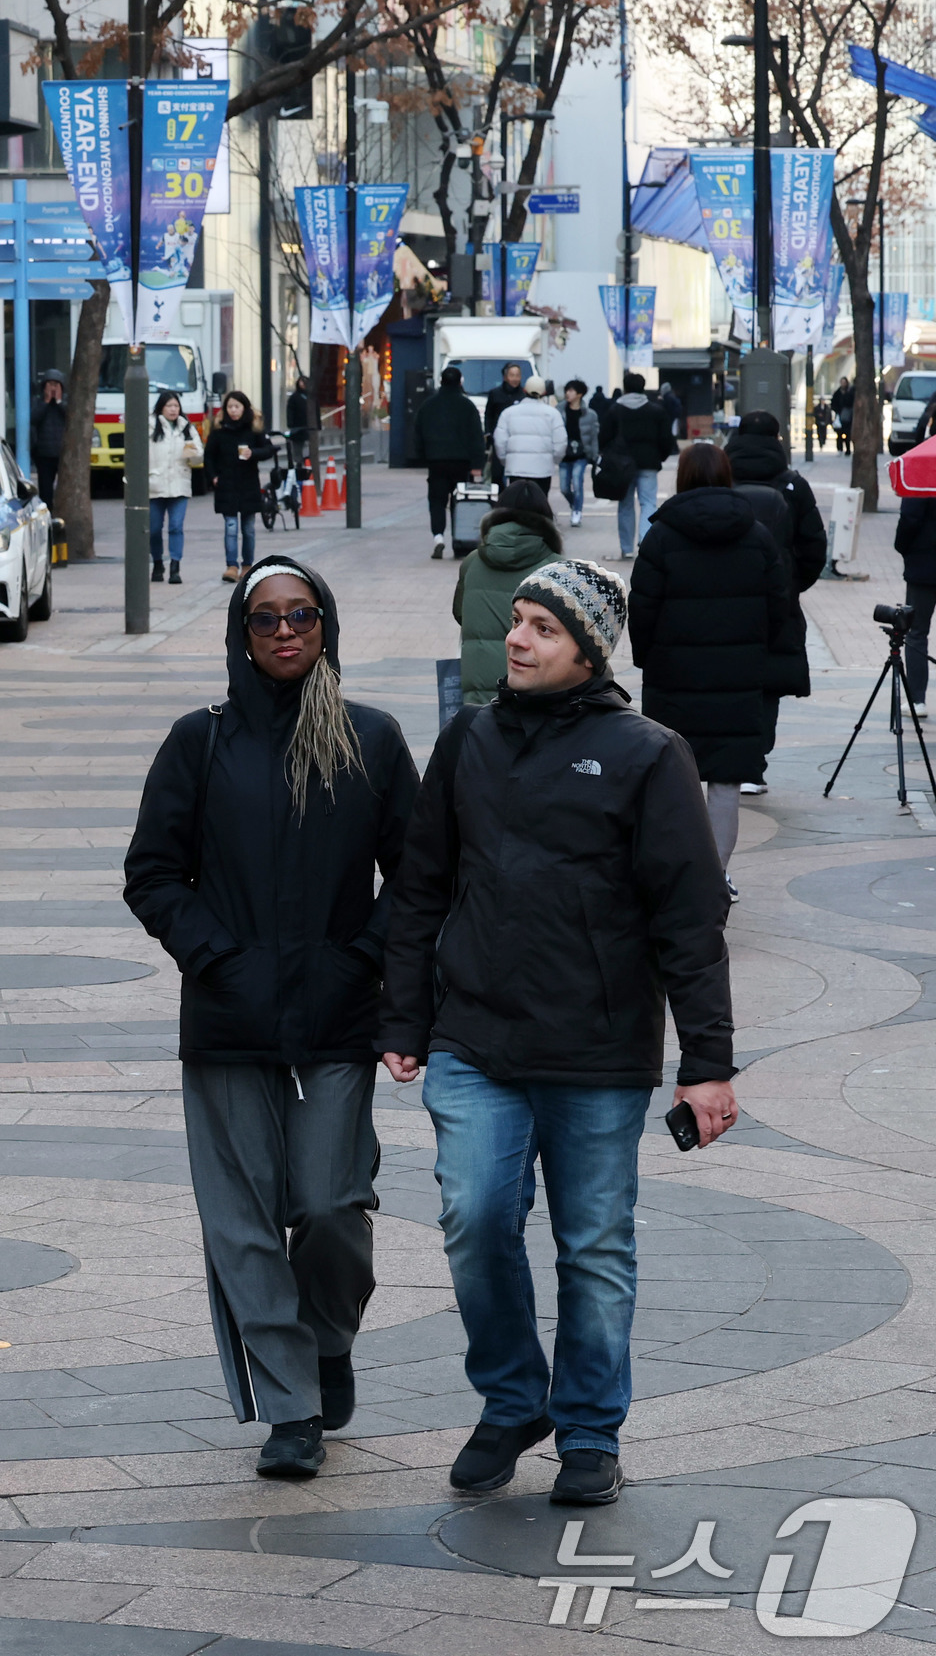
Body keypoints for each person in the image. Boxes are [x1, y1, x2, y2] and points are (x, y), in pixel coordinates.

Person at [377, 556, 737, 1508]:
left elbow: (689, 918)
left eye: (542, 626)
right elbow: (418, 889)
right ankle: (510, 1399)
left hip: (597, 1051)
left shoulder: (649, 753)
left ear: (588, 650)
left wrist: (708, 1063)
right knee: (474, 1218)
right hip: (475, 1040)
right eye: (519, 620)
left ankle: (587, 1428)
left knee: (593, 1244)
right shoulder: (468, 741)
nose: (518, 639)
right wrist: (405, 1015)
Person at [125, 560, 420, 1479]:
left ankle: (326, 1339)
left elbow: (416, 877)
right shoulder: (199, 743)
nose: (284, 631)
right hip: (227, 1014)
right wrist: (215, 956)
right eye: (265, 619)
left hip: (338, 1008)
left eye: (301, 615)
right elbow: (152, 873)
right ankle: (291, 1405)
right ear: (240, 633)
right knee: (243, 1218)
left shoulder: (371, 741)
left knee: (331, 1203)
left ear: (327, 624)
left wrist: (363, 959)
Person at [627, 441, 788, 899]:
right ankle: (714, 876)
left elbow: (642, 608)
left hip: (673, 677)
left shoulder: (661, 536)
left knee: (672, 778)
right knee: (724, 783)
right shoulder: (757, 535)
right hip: (737, 679)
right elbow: (780, 607)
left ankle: (674, 876)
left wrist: (648, 657)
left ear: (683, 479)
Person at [726, 411, 828, 791]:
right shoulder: (792, 484)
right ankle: (755, 765)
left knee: (725, 675)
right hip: (776, 600)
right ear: (778, 438)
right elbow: (814, 545)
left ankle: (725, 762)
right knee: (767, 681)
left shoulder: (721, 479)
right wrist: (791, 582)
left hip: (722, 597)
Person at [452, 480, 561, 703]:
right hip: (533, 686)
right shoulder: (557, 568)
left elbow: (460, 613)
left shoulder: (472, 561)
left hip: (478, 689)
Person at [600, 372, 677, 559]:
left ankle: (626, 549)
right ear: (643, 387)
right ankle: (645, 539)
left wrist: (607, 456)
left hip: (621, 465)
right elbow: (666, 438)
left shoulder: (614, 410)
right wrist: (661, 456)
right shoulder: (656, 410)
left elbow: (603, 437)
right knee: (648, 502)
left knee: (625, 505)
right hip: (649, 463)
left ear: (625, 387)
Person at [413, 365, 485, 560]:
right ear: (460, 382)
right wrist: (478, 464)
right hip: (462, 462)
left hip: (436, 462)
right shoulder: (467, 406)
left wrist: (421, 456)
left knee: (436, 500)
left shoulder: (428, 405)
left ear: (441, 381)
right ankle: (458, 541)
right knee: (459, 502)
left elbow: (418, 434)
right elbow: (476, 437)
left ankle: (438, 537)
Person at [205, 391, 272, 581]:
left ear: (245, 408)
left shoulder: (254, 428)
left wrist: (254, 453)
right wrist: (213, 477)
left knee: (249, 529)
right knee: (231, 526)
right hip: (226, 484)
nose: (233, 411)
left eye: (237, 407)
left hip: (248, 483)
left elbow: (268, 449)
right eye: (230, 407)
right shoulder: (219, 431)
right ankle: (231, 565)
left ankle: (247, 565)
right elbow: (209, 455)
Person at [149, 389, 200, 584]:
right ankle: (157, 562)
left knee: (176, 527)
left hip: (180, 485)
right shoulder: (150, 426)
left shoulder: (186, 427)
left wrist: (193, 453)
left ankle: (175, 566)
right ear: (161, 407)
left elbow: (198, 457)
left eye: (176, 406)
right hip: (155, 484)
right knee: (154, 528)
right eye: (169, 406)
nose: (173, 409)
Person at [896, 497, 936, 717]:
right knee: (917, 632)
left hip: (924, 566)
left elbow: (910, 519)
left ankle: (917, 699)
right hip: (923, 565)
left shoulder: (920, 479)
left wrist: (902, 547)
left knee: (917, 632)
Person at [493, 376, 566, 496]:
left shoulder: (508, 413)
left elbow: (500, 441)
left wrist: (505, 460)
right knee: (539, 506)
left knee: (517, 506)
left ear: (524, 390)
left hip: (516, 468)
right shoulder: (553, 414)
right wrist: (554, 460)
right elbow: (561, 442)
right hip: (542, 469)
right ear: (544, 392)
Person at [558, 380, 599, 527]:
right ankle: (574, 505)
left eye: (571, 391)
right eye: (567, 390)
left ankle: (577, 511)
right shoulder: (559, 411)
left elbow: (594, 436)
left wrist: (595, 456)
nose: (568, 393)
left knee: (577, 481)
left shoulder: (590, 414)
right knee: (563, 488)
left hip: (581, 455)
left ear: (580, 394)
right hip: (564, 454)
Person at [484, 362, 526, 486]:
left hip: (517, 440)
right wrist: (488, 433)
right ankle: (499, 500)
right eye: (512, 375)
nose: (515, 379)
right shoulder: (495, 393)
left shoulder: (523, 395)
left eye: (518, 375)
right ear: (505, 377)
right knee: (496, 474)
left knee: (516, 474)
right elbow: (489, 415)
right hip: (499, 440)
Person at [33, 370, 68, 512]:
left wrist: (59, 402)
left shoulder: (66, 402)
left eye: (56, 385)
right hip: (44, 453)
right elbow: (33, 418)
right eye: (50, 385)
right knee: (45, 489)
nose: (53, 388)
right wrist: (46, 402)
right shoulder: (38, 402)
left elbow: (70, 417)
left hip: (62, 453)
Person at [285, 375, 311, 464]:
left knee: (308, 448)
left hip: (308, 427)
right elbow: (290, 411)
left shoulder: (311, 397)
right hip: (297, 426)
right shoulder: (294, 397)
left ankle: (307, 462)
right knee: (297, 448)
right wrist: (291, 424)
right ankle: (299, 463)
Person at [833, 377, 855, 455]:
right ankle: (840, 448)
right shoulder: (837, 393)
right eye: (842, 382)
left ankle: (848, 449)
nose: (843, 384)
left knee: (847, 433)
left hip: (848, 417)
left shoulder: (850, 392)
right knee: (839, 434)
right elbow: (833, 404)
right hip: (840, 416)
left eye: (844, 382)